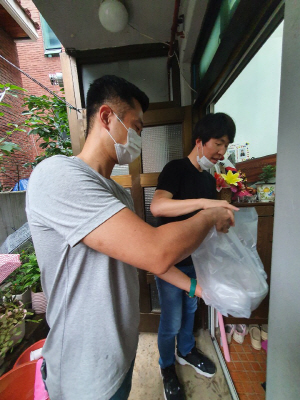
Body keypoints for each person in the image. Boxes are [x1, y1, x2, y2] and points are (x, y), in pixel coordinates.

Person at [26, 76, 234, 400]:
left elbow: (144, 255)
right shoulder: (58, 175)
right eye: (136, 127)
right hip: (83, 375)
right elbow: (156, 252)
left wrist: (199, 288)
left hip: (119, 359)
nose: (138, 137)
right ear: (107, 116)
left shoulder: (118, 194)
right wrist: (210, 213)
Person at [150, 113, 238, 400]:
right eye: (218, 143)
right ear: (200, 141)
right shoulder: (175, 169)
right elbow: (159, 207)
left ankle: (186, 351)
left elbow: (207, 222)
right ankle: (166, 367)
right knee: (171, 320)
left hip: (198, 262)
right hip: (170, 264)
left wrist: (221, 219)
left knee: (190, 312)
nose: (222, 152)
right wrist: (204, 204)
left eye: (227, 146)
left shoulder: (207, 179)